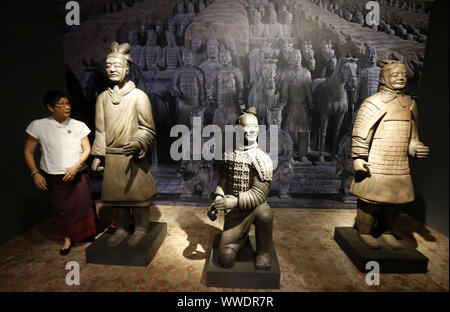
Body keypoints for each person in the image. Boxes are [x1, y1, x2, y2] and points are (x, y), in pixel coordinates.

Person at [351, 60, 429, 250]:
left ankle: (387, 232)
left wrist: (416, 147)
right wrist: (359, 158)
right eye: (395, 75)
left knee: (395, 203)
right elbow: (362, 132)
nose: (401, 77)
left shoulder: (410, 105)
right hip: (377, 162)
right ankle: (364, 232)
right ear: (384, 77)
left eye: (403, 74)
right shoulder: (373, 103)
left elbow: (412, 137)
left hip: (399, 164)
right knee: (371, 202)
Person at [91, 42, 157, 247]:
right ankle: (120, 228)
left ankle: (141, 228)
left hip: (133, 157)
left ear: (127, 69)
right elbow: (100, 130)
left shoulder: (139, 97)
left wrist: (138, 142)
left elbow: (148, 129)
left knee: (138, 198)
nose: (111, 69)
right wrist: (98, 155)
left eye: (117, 65)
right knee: (117, 198)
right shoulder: (102, 99)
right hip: (113, 157)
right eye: (108, 65)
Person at [24, 90, 97, 256]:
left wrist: (76, 166)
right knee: (62, 209)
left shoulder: (78, 125)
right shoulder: (38, 125)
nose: (66, 107)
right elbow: (28, 151)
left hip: (77, 174)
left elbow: (87, 149)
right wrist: (35, 173)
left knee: (83, 206)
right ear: (50, 107)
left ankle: (87, 233)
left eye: (68, 103)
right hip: (53, 175)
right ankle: (67, 238)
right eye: (61, 104)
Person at [207, 107, 274, 270]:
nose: (252, 130)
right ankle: (238, 240)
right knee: (226, 260)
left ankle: (264, 251)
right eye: (247, 126)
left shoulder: (262, 158)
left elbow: (260, 194)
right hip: (234, 216)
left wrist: (234, 202)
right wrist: (218, 200)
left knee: (265, 213)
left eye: (255, 126)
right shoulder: (228, 155)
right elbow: (223, 182)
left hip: (253, 208)